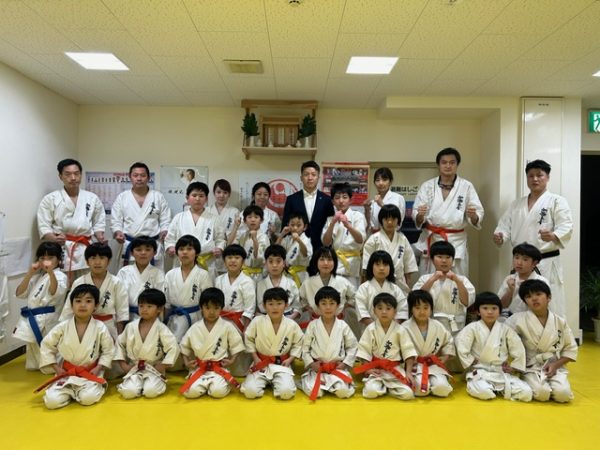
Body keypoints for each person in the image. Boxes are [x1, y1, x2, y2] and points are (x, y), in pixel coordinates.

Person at [494, 159, 573, 318]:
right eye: (531, 176)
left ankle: (553, 332)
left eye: (539, 175)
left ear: (547, 177)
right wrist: (500, 236)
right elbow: (504, 226)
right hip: (522, 262)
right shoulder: (517, 204)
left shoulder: (557, 201)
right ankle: (519, 329)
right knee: (519, 301)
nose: (535, 179)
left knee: (550, 301)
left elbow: (566, 226)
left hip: (546, 261)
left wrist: (553, 235)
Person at [36, 284, 114, 409]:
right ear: (71, 305)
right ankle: (71, 392)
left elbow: (108, 350)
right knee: (52, 402)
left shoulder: (100, 327)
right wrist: (56, 368)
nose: (82, 305)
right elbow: (46, 345)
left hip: (90, 373)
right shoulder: (63, 326)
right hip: (67, 373)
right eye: (78, 301)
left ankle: (78, 393)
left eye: (88, 301)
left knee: (88, 398)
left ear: (96, 306)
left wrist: (99, 367)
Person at [412, 147, 484, 276]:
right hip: (432, 238)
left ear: (457, 165)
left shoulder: (466, 186)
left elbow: (477, 213)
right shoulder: (427, 186)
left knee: (457, 279)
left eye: (452, 162)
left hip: (456, 241)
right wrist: (420, 216)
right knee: (429, 279)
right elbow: (417, 215)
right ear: (438, 165)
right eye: (444, 162)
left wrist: (473, 216)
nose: (448, 166)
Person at [506, 280, 577, 402]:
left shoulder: (560, 322)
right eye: (528, 296)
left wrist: (555, 365)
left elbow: (570, 348)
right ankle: (523, 379)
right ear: (525, 301)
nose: (534, 299)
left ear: (549, 297)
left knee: (563, 394)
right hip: (530, 367)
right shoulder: (516, 320)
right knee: (541, 394)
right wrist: (515, 366)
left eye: (538, 294)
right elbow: (503, 342)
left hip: (554, 365)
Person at [37, 158, 106, 283]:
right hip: (62, 247)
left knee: (87, 284)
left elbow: (99, 222)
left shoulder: (92, 198)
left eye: (76, 173)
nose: (73, 178)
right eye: (68, 174)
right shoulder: (50, 199)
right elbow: (44, 225)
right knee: (62, 285)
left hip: (85, 247)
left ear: (81, 175)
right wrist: (53, 238)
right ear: (60, 176)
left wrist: (100, 236)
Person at [455, 292, 532, 401]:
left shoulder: (506, 330)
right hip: (479, 370)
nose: (490, 312)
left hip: (500, 371)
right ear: (478, 311)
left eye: (494, 308)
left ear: (499, 311)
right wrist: (470, 360)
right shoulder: (472, 328)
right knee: (484, 392)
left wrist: (514, 367)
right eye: (485, 308)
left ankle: (497, 388)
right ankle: (486, 387)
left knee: (526, 393)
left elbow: (518, 348)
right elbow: (461, 344)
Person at [179, 288, 246, 399]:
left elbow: (237, 344)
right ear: (201, 308)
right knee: (191, 392)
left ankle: (215, 385)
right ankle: (204, 386)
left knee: (217, 392)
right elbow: (184, 346)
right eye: (207, 308)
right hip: (200, 368)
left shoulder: (227, 326)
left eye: (216, 308)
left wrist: (232, 360)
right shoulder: (195, 327)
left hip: (218, 369)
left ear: (221, 308)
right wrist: (186, 362)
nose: (211, 312)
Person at [114, 289, 179, 399]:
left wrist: (163, 365)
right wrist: (123, 365)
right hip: (134, 368)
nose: (144, 309)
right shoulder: (131, 327)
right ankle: (137, 385)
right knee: (128, 392)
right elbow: (120, 344)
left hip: (154, 369)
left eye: (149, 306)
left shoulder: (161, 328)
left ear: (159, 309)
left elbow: (174, 347)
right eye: (141, 306)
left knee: (150, 392)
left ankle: (148, 385)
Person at [13, 242, 68, 371]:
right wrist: (29, 273)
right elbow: (19, 293)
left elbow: (54, 292)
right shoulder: (38, 277)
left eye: (50, 258)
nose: (46, 261)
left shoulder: (60, 276)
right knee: (33, 351)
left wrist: (51, 273)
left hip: (49, 319)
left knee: (48, 348)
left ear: (58, 259)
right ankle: (38, 365)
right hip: (33, 318)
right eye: (42, 258)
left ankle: (53, 367)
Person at [240, 287, 303, 400]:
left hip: (281, 364)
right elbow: (249, 338)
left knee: (286, 393)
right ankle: (268, 382)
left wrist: (290, 359)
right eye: (270, 304)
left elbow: (298, 343)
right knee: (250, 392)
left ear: (286, 305)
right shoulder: (257, 321)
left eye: (279, 303)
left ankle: (276, 382)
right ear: (264, 306)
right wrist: (255, 358)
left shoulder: (292, 325)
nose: (275, 307)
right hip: (260, 363)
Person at [59, 243, 129, 341]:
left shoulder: (116, 283)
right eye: (93, 258)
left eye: (102, 258)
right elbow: (68, 311)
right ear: (87, 261)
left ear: (108, 261)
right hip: (83, 326)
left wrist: (119, 339)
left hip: (108, 327)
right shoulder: (79, 282)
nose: (97, 262)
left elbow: (121, 313)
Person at [353, 293, 417, 400]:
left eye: (388, 308)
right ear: (374, 311)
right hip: (376, 370)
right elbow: (364, 351)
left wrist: (408, 372)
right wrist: (368, 369)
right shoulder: (371, 329)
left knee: (408, 394)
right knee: (371, 392)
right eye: (380, 308)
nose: (384, 312)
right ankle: (384, 388)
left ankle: (387, 388)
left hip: (395, 369)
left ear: (394, 312)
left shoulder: (400, 330)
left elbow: (408, 352)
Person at [111, 162, 171, 269]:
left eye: (143, 175)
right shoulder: (122, 197)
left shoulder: (158, 197)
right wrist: (118, 232)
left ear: (148, 178)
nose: (139, 178)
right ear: (130, 177)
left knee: (154, 277)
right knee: (129, 276)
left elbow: (165, 219)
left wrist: (164, 231)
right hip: (131, 246)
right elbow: (116, 220)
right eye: (135, 175)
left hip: (152, 246)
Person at [300, 286, 357, 400]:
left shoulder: (343, 326)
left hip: (337, 368)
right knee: (316, 393)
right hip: (317, 369)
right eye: (324, 303)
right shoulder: (313, 325)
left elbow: (353, 347)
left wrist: (345, 364)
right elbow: (304, 348)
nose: (328, 307)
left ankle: (331, 385)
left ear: (338, 305)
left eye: (332, 303)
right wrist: (311, 364)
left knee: (343, 392)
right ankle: (315, 383)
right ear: (318, 306)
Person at [412, 241, 475, 334]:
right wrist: (432, 279)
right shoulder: (424, 279)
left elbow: (467, 302)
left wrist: (457, 281)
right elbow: (416, 299)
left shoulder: (462, 280)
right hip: (431, 325)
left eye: (448, 257)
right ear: (432, 259)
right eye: (440, 257)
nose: (444, 261)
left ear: (453, 260)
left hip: (455, 327)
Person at [164, 182, 225, 279]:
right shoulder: (178, 218)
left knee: (205, 286)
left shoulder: (214, 219)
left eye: (201, 196)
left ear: (206, 199)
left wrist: (219, 248)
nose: (197, 199)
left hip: (206, 262)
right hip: (183, 261)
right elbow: (169, 239)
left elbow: (220, 239)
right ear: (187, 198)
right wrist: (170, 247)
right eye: (194, 195)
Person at [401, 290, 454, 397]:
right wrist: (407, 369)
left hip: (433, 364)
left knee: (442, 389)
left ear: (431, 309)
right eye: (417, 308)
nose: (422, 312)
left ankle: (436, 383)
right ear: (411, 309)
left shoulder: (438, 326)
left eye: (425, 308)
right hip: (414, 366)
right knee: (420, 391)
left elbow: (448, 341)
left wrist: (446, 356)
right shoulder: (404, 328)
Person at [164, 235, 213, 342]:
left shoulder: (203, 275)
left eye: (189, 249)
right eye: (181, 249)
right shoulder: (170, 274)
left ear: (197, 253)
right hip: (174, 319)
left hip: (196, 319)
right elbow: (166, 304)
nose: (185, 252)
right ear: (177, 253)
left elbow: (207, 303)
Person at [362, 204, 418, 295]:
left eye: (393, 219)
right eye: (386, 219)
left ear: (398, 221)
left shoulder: (402, 239)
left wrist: (409, 285)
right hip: (378, 282)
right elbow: (366, 268)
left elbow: (408, 266)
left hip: (399, 283)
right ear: (381, 220)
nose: (390, 222)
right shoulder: (373, 240)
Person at [298, 246, 355, 333]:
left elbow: (354, 297)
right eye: (322, 259)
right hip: (315, 323)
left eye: (329, 259)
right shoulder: (308, 283)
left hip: (338, 323)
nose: (326, 263)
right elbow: (300, 299)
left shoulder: (343, 281)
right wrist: (308, 308)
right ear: (316, 262)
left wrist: (344, 306)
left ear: (334, 262)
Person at [282, 160, 335, 252]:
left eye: (313, 175)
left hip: (321, 248)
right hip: (297, 248)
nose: (310, 178)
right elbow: (285, 225)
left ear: (318, 177)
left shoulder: (327, 200)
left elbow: (331, 225)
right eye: (306, 174)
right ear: (301, 178)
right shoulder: (291, 199)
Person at [322, 182, 367, 288]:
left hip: (352, 265)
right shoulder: (330, 219)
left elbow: (360, 239)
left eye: (344, 197)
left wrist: (348, 225)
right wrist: (333, 223)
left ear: (350, 200)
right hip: (335, 265)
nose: (341, 201)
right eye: (337, 198)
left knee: (352, 296)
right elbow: (326, 243)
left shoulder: (358, 216)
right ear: (333, 201)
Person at [116, 236, 165, 320]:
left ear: (154, 253)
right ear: (132, 253)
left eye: (147, 250)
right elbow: (118, 298)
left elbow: (161, 300)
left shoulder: (158, 273)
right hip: (127, 316)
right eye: (138, 250)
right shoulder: (123, 272)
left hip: (151, 317)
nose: (143, 253)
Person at [355, 250, 408, 327]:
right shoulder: (363, 288)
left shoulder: (396, 289)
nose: (381, 268)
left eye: (385, 264)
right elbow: (362, 312)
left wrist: (391, 328)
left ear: (390, 268)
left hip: (392, 330)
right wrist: (377, 329)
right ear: (371, 267)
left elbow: (402, 311)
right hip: (370, 331)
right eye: (377, 264)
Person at [497, 243, 548, 318]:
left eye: (525, 259)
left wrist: (529, 292)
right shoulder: (509, 279)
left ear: (534, 263)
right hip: (512, 319)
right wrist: (510, 291)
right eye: (516, 257)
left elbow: (543, 307)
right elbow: (501, 305)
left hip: (533, 319)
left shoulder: (541, 281)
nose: (519, 263)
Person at [214, 244, 256, 333]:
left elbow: (249, 309)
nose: (233, 261)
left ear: (243, 262)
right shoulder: (218, 280)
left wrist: (246, 330)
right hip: (219, 320)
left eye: (237, 258)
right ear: (224, 261)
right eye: (229, 257)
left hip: (239, 322)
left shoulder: (247, 282)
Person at [256, 245, 301, 321]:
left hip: (287, 319)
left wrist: (290, 318)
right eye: (271, 261)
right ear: (266, 264)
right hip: (265, 320)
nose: (274, 265)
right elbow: (258, 309)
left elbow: (297, 306)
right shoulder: (260, 284)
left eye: (278, 261)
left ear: (284, 263)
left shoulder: (291, 283)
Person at [228, 205, 269, 283]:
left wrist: (255, 240)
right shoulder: (243, 235)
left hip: (257, 275)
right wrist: (236, 226)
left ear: (261, 220)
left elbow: (259, 257)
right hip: (242, 273)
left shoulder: (264, 237)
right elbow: (229, 246)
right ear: (244, 221)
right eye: (249, 217)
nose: (253, 220)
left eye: (256, 217)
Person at [206, 179, 240, 274]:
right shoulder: (207, 211)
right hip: (210, 252)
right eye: (218, 192)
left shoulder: (235, 212)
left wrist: (227, 241)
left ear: (229, 194)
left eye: (225, 192)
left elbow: (238, 234)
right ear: (214, 193)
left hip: (229, 251)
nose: (221, 195)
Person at [363, 167, 406, 233]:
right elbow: (368, 225)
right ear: (374, 183)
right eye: (377, 180)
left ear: (390, 182)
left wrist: (382, 205)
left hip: (392, 236)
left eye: (384, 180)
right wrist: (367, 210)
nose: (381, 183)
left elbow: (398, 223)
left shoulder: (398, 198)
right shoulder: (372, 202)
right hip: (375, 237)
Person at [276, 211, 312, 287]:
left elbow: (305, 254)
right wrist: (282, 234)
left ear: (305, 227)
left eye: (298, 225)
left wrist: (299, 241)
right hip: (287, 273)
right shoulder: (288, 239)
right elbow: (275, 249)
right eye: (292, 225)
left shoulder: (306, 240)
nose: (295, 228)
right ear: (288, 225)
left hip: (300, 275)